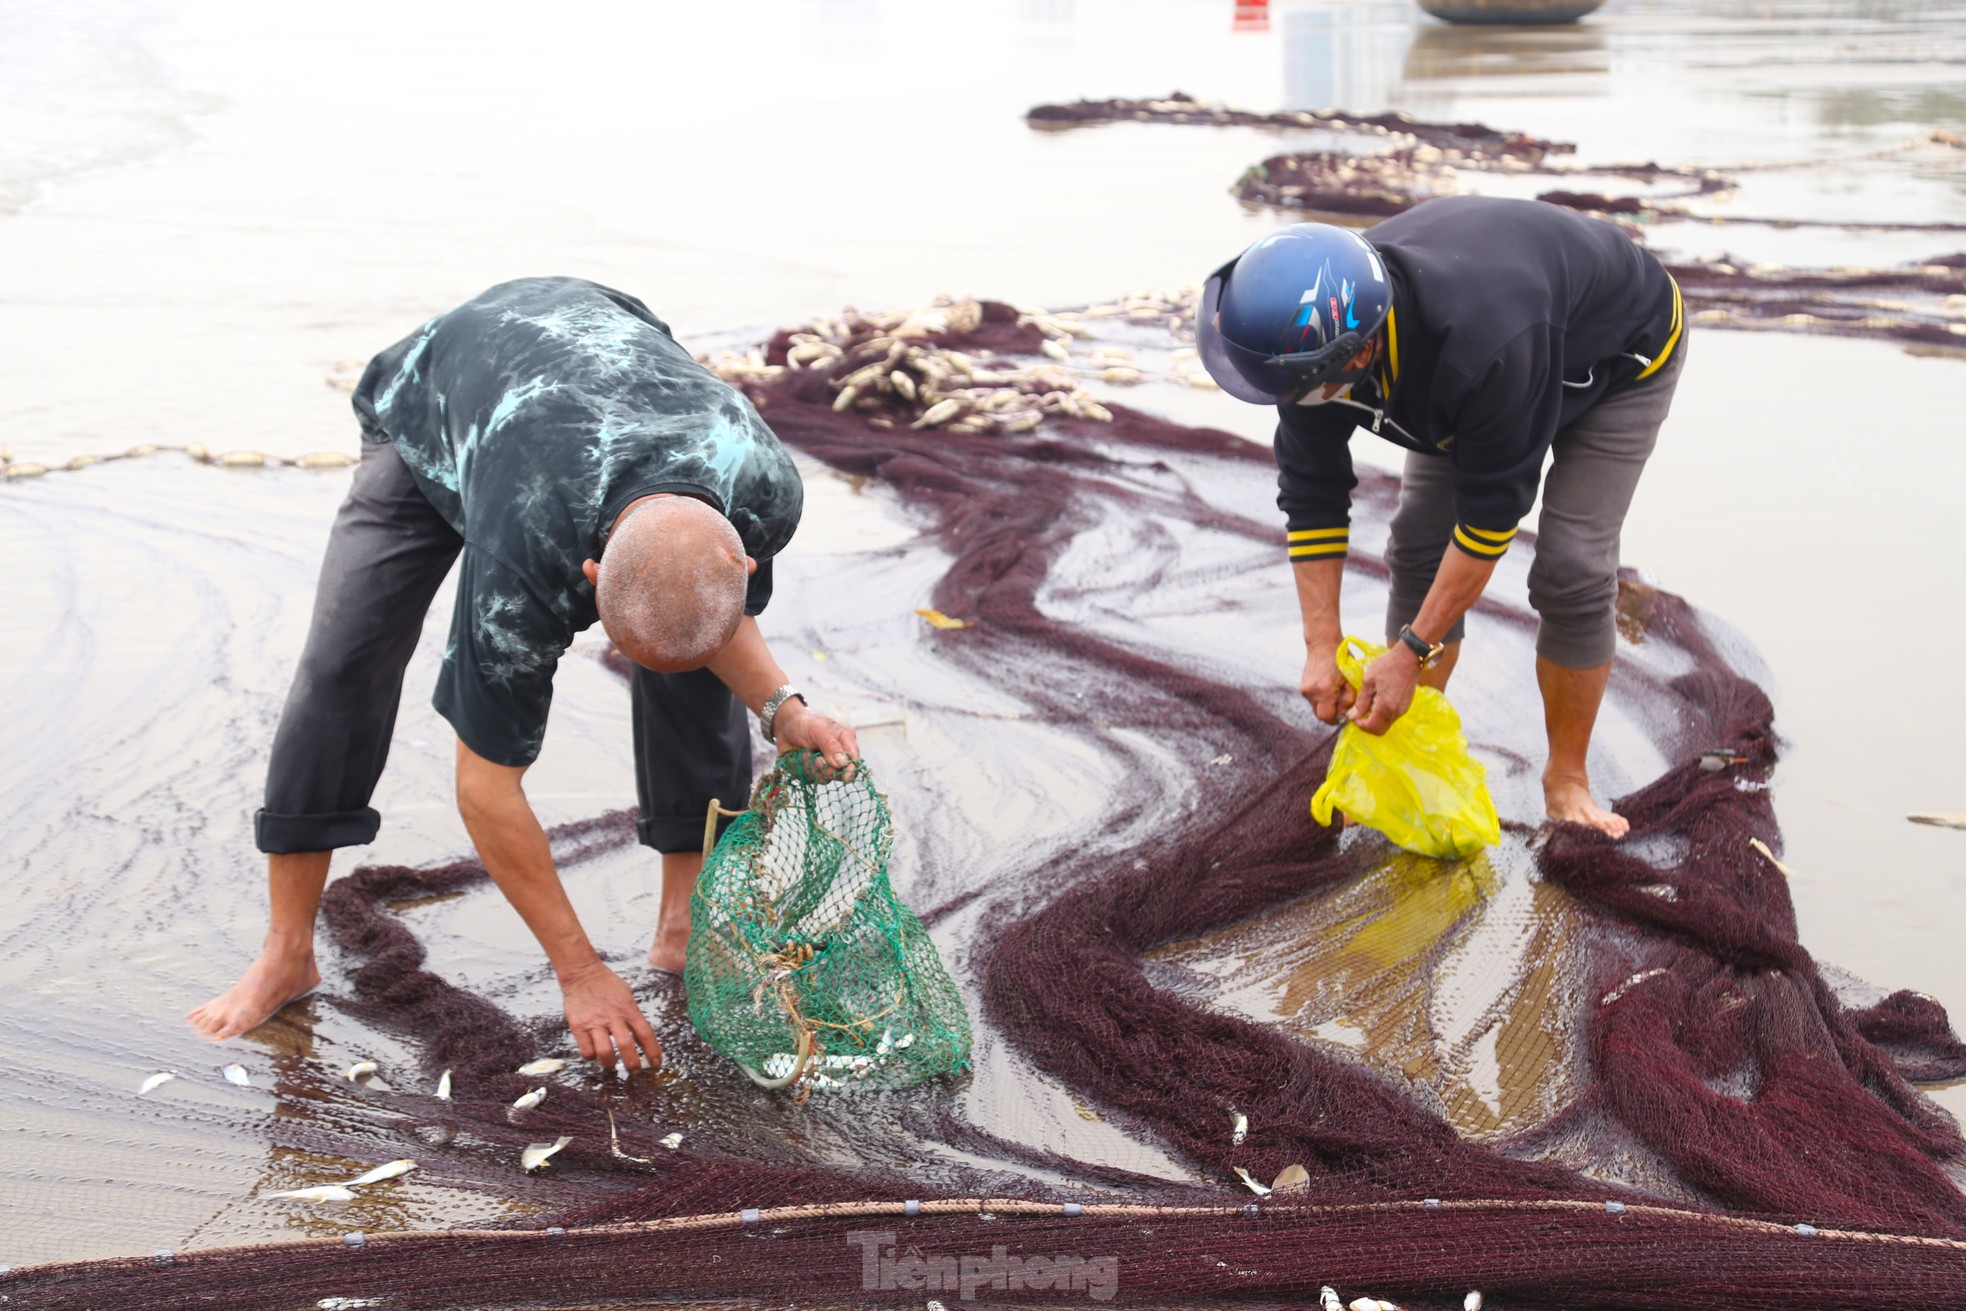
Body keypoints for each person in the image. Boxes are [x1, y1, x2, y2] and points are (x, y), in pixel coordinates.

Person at [189, 276, 857, 1069]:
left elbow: (717, 624)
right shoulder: (523, 557)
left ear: (739, 553)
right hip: (441, 397)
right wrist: (580, 972)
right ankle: (286, 949)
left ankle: (683, 924)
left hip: (602, 336)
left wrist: (785, 709)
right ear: (585, 573)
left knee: (692, 658)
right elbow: (486, 786)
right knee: (347, 659)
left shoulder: (764, 489)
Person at [1198, 196, 1686, 838]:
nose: (1288, 404)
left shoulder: (1480, 348)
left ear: (1358, 354)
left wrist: (1410, 650)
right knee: (1416, 549)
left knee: (1570, 567)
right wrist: (1321, 645)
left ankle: (1567, 779)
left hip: (1616, 356)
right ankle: (1403, 748)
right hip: (1489, 361)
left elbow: (1488, 523)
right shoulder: (1302, 349)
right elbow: (1313, 495)